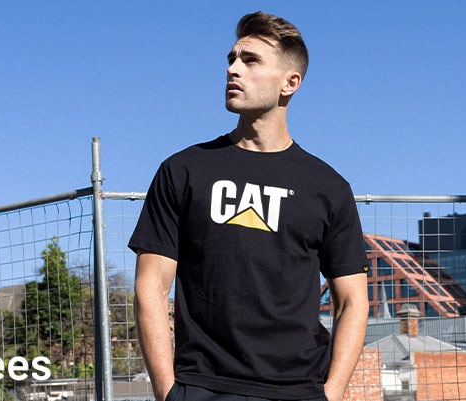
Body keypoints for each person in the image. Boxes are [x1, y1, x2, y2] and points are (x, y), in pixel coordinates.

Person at [129, 11, 369, 401]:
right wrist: (168, 391)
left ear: (290, 83)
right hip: (202, 386)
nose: (232, 69)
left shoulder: (328, 187)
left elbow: (353, 300)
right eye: (231, 59)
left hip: (299, 389)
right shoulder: (183, 170)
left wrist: (333, 392)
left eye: (250, 60)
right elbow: (151, 287)